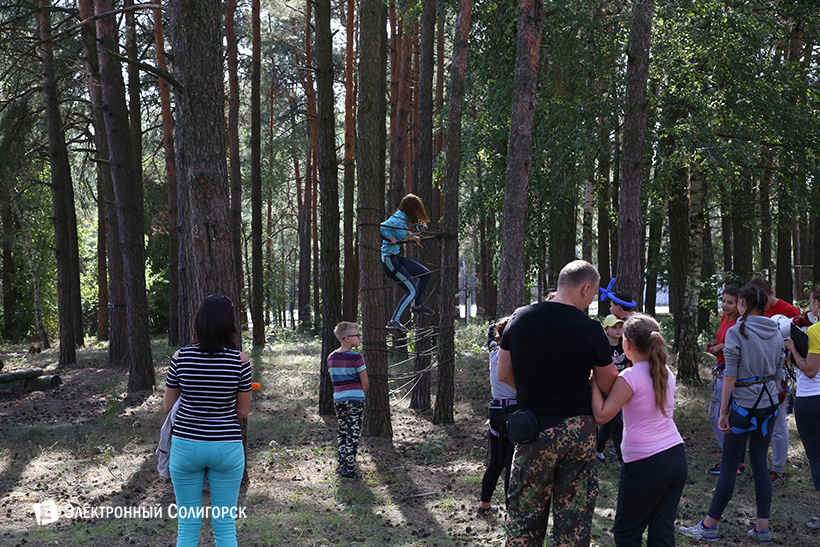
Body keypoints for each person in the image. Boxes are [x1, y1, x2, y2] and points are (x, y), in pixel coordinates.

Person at [497, 259, 618, 546]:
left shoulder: (520, 318)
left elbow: (503, 373)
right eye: (593, 294)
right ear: (586, 288)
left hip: (532, 431)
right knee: (573, 524)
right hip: (578, 433)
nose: (590, 301)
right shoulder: (590, 329)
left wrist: (533, 389)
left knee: (524, 522)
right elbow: (608, 382)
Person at [680, 284, 784, 543]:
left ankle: (709, 525)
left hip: (743, 405)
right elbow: (779, 372)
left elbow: (730, 376)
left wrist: (723, 411)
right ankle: (762, 528)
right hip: (768, 405)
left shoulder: (739, 331)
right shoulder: (776, 330)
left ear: (742, 304)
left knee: (729, 466)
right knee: (760, 462)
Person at [163, 295, 252, 547]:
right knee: (225, 529)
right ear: (229, 324)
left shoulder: (181, 357)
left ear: (199, 322)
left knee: (187, 527)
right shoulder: (240, 361)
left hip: (186, 445)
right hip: (226, 446)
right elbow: (243, 412)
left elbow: (168, 406)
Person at [591, 314, 687, 546]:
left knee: (626, 534)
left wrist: (593, 381)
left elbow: (602, 416)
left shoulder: (630, 377)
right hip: (675, 457)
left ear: (627, 344)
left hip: (645, 463)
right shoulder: (665, 372)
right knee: (662, 534)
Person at [750, 277, 800, 485]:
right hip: (754, 377)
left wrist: (790, 353)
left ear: (771, 293)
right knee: (757, 423)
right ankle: (761, 467)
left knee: (779, 423)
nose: (760, 304)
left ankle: (777, 470)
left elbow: (800, 341)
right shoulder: (756, 309)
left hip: (778, 376)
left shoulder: (789, 311)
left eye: (764, 299)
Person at [784, 286, 820, 528]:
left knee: (817, 459)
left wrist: (793, 350)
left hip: (812, 399)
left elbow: (809, 369)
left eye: (810, 303)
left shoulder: (816, 331)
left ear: (817, 303)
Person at [380, 193, 434, 333]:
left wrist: (412, 236)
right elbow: (381, 227)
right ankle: (394, 321)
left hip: (396, 257)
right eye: (415, 210)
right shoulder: (397, 219)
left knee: (425, 273)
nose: (416, 213)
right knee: (411, 290)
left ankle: (416, 306)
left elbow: (400, 233)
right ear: (410, 209)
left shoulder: (401, 220)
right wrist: (389, 237)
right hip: (389, 260)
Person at [478, 316, 515, 516]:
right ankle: (511, 511)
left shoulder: (494, 352)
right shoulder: (518, 355)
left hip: (496, 413)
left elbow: (490, 336)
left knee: (495, 462)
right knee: (510, 464)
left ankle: (484, 505)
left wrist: (496, 327)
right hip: (515, 413)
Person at [704, 286, 743, 475]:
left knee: (718, 415)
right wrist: (714, 346)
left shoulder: (740, 322)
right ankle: (733, 458)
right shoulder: (724, 318)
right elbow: (723, 340)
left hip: (731, 373)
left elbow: (742, 344)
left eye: (730, 302)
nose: (725, 305)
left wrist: (723, 346)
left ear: (739, 304)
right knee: (719, 415)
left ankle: (733, 460)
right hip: (721, 370)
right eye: (724, 301)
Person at [328, 322, 369, 479]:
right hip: (355, 399)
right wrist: (360, 394)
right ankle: (349, 470)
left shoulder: (331, 357)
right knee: (353, 433)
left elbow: (334, 380)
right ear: (346, 339)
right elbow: (365, 383)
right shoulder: (357, 357)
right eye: (356, 336)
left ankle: (342, 465)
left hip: (339, 398)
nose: (360, 338)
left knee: (343, 431)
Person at [596, 314, 632, 463]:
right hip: (605, 389)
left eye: (620, 327)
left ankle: (597, 450)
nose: (618, 330)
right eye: (614, 327)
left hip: (621, 388)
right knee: (617, 423)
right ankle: (623, 459)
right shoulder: (602, 347)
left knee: (610, 423)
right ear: (606, 329)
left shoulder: (625, 345)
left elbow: (629, 366)